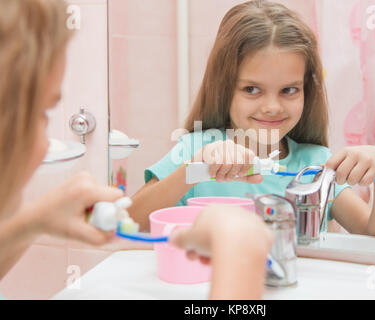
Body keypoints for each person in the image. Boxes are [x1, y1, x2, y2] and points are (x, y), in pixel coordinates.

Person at [0, 0, 272, 300]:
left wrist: (32, 221)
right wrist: (238, 246)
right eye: (40, 112)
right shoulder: (198, 144)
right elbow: (140, 215)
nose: (43, 145)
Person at [129, 0, 375, 239]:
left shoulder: (314, 165)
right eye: (251, 89)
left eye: (289, 90)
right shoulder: (193, 151)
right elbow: (129, 223)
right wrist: (194, 170)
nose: (272, 107)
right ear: (225, 88)